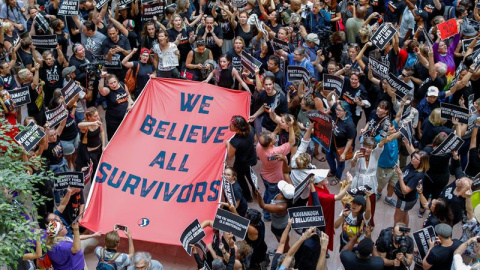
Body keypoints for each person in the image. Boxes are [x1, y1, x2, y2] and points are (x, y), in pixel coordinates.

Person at [394, 147, 429, 226]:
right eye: (414, 156)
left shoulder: (417, 175)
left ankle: (396, 233)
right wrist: (407, 142)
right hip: (405, 199)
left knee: (397, 218)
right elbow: (411, 150)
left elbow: (405, 191)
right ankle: (406, 229)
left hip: (405, 200)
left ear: (421, 163)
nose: (413, 158)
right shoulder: (413, 164)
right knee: (405, 213)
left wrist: (400, 176)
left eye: (416, 158)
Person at [226, 115, 257, 203]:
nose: (229, 125)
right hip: (251, 158)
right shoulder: (251, 130)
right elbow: (255, 139)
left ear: (237, 128)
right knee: (251, 176)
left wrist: (228, 143)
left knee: (241, 179)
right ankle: (256, 191)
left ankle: (248, 197)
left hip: (241, 164)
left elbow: (230, 155)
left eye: (231, 125)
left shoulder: (235, 141)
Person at [326, 101, 356, 186]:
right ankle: (332, 171)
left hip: (340, 148)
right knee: (329, 158)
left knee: (340, 164)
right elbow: (330, 101)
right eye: (336, 109)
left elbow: (350, 140)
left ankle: (337, 177)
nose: (337, 111)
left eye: (339, 110)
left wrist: (344, 153)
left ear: (345, 111)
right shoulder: (336, 116)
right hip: (330, 145)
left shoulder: (349, 125)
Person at [98, 72, 134, 140]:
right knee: (113, 138)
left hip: (125, 118)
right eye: (111, 83)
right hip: (113, 121)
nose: (114, 84)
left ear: (117, 81)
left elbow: (128, 95)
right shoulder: (108, 90)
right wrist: (102, 77)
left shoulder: (122, 85)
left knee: (125, 137)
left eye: (115, 82)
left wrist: (129, 104)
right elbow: (101, 89)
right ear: (108, 84)